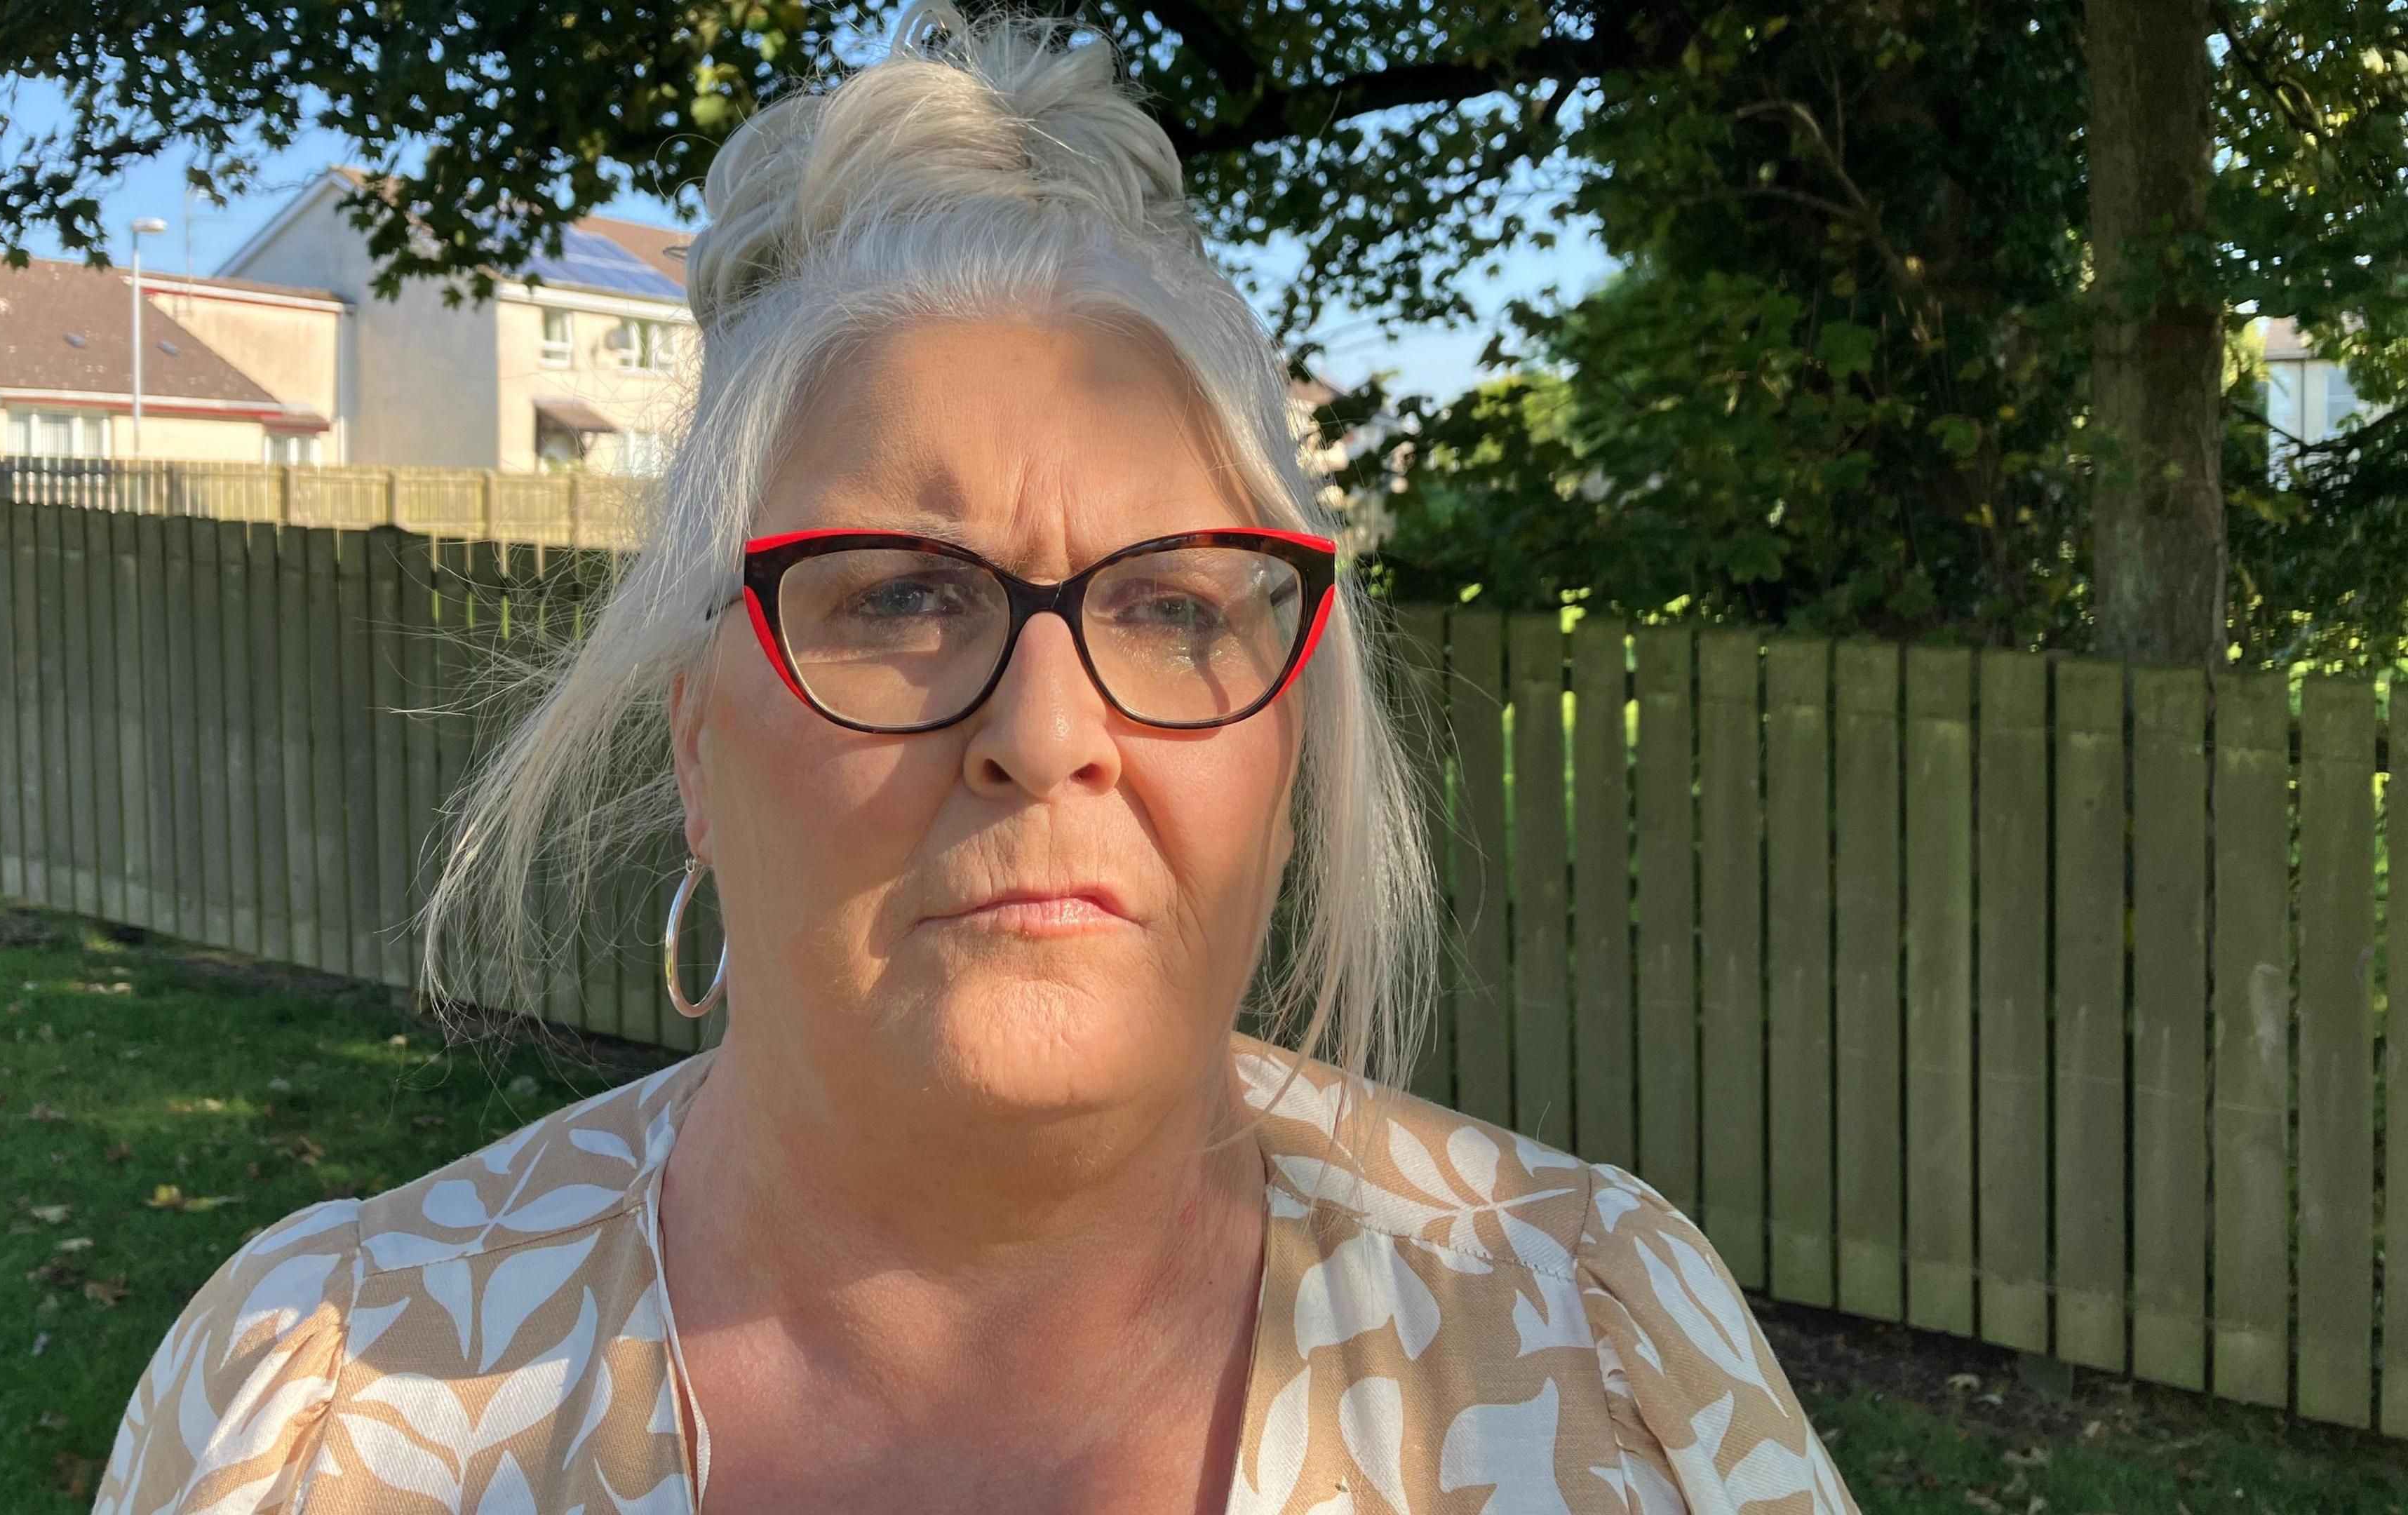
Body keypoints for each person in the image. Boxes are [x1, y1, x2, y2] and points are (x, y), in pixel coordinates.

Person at [93, 6, 1855, 1513]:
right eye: (901, 599)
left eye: (1170, 607)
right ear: (700, 748)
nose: (1046, 733)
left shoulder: (1596, 1353)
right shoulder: (332, 1411)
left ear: (1292, 740)